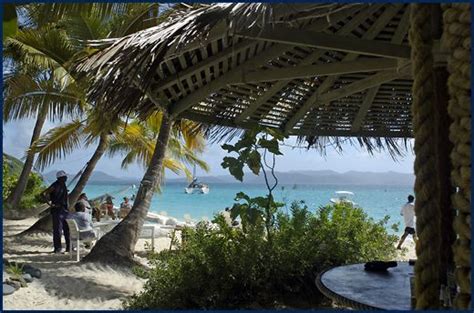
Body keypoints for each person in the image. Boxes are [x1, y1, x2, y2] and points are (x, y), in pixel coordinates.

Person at [41, 170, 70, 254]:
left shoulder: (63, 185)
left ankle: (69, 247)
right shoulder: (55, 185)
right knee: (57, 230)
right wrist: (50, 204)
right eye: (65, 177)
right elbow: (43, 193)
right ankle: (57, 248)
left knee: (67, 229)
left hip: (64, 210)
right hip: (57, 210)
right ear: (61, 178)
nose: (66, 178)